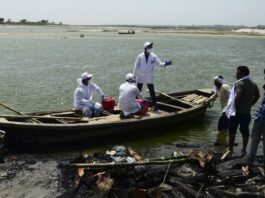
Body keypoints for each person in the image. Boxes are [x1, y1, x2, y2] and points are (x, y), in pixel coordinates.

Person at [224, 66, 260, 156]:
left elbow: (238, 95)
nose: (235, 74)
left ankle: (230, 149)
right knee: (245, 131)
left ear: (241, 73)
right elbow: (257, 96)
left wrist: (233, 107)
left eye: (237, 72)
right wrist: (250, 104)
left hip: (236, 113)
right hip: (246, 113)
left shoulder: (239, 83)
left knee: (232, 131)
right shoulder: (253, 84)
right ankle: (244, 150)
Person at [133, 42, 172, 111]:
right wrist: (134, 76)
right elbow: (136, 66)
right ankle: (134, 105)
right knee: (138, 91)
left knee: (152, 91)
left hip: (149, 76)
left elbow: (159, 64)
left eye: (151, 47)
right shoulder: (140, 56)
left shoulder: (153, 56)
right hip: (141, 75)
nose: (150, 48)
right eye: (149, 47)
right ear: (145, 48)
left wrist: (165, 64)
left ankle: (155, 106)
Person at [244, 69, 265, 174]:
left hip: (261, 117)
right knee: (254, 140)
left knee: (255, 141)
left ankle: (251, 162)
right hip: (259, 116)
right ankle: (250, 162)